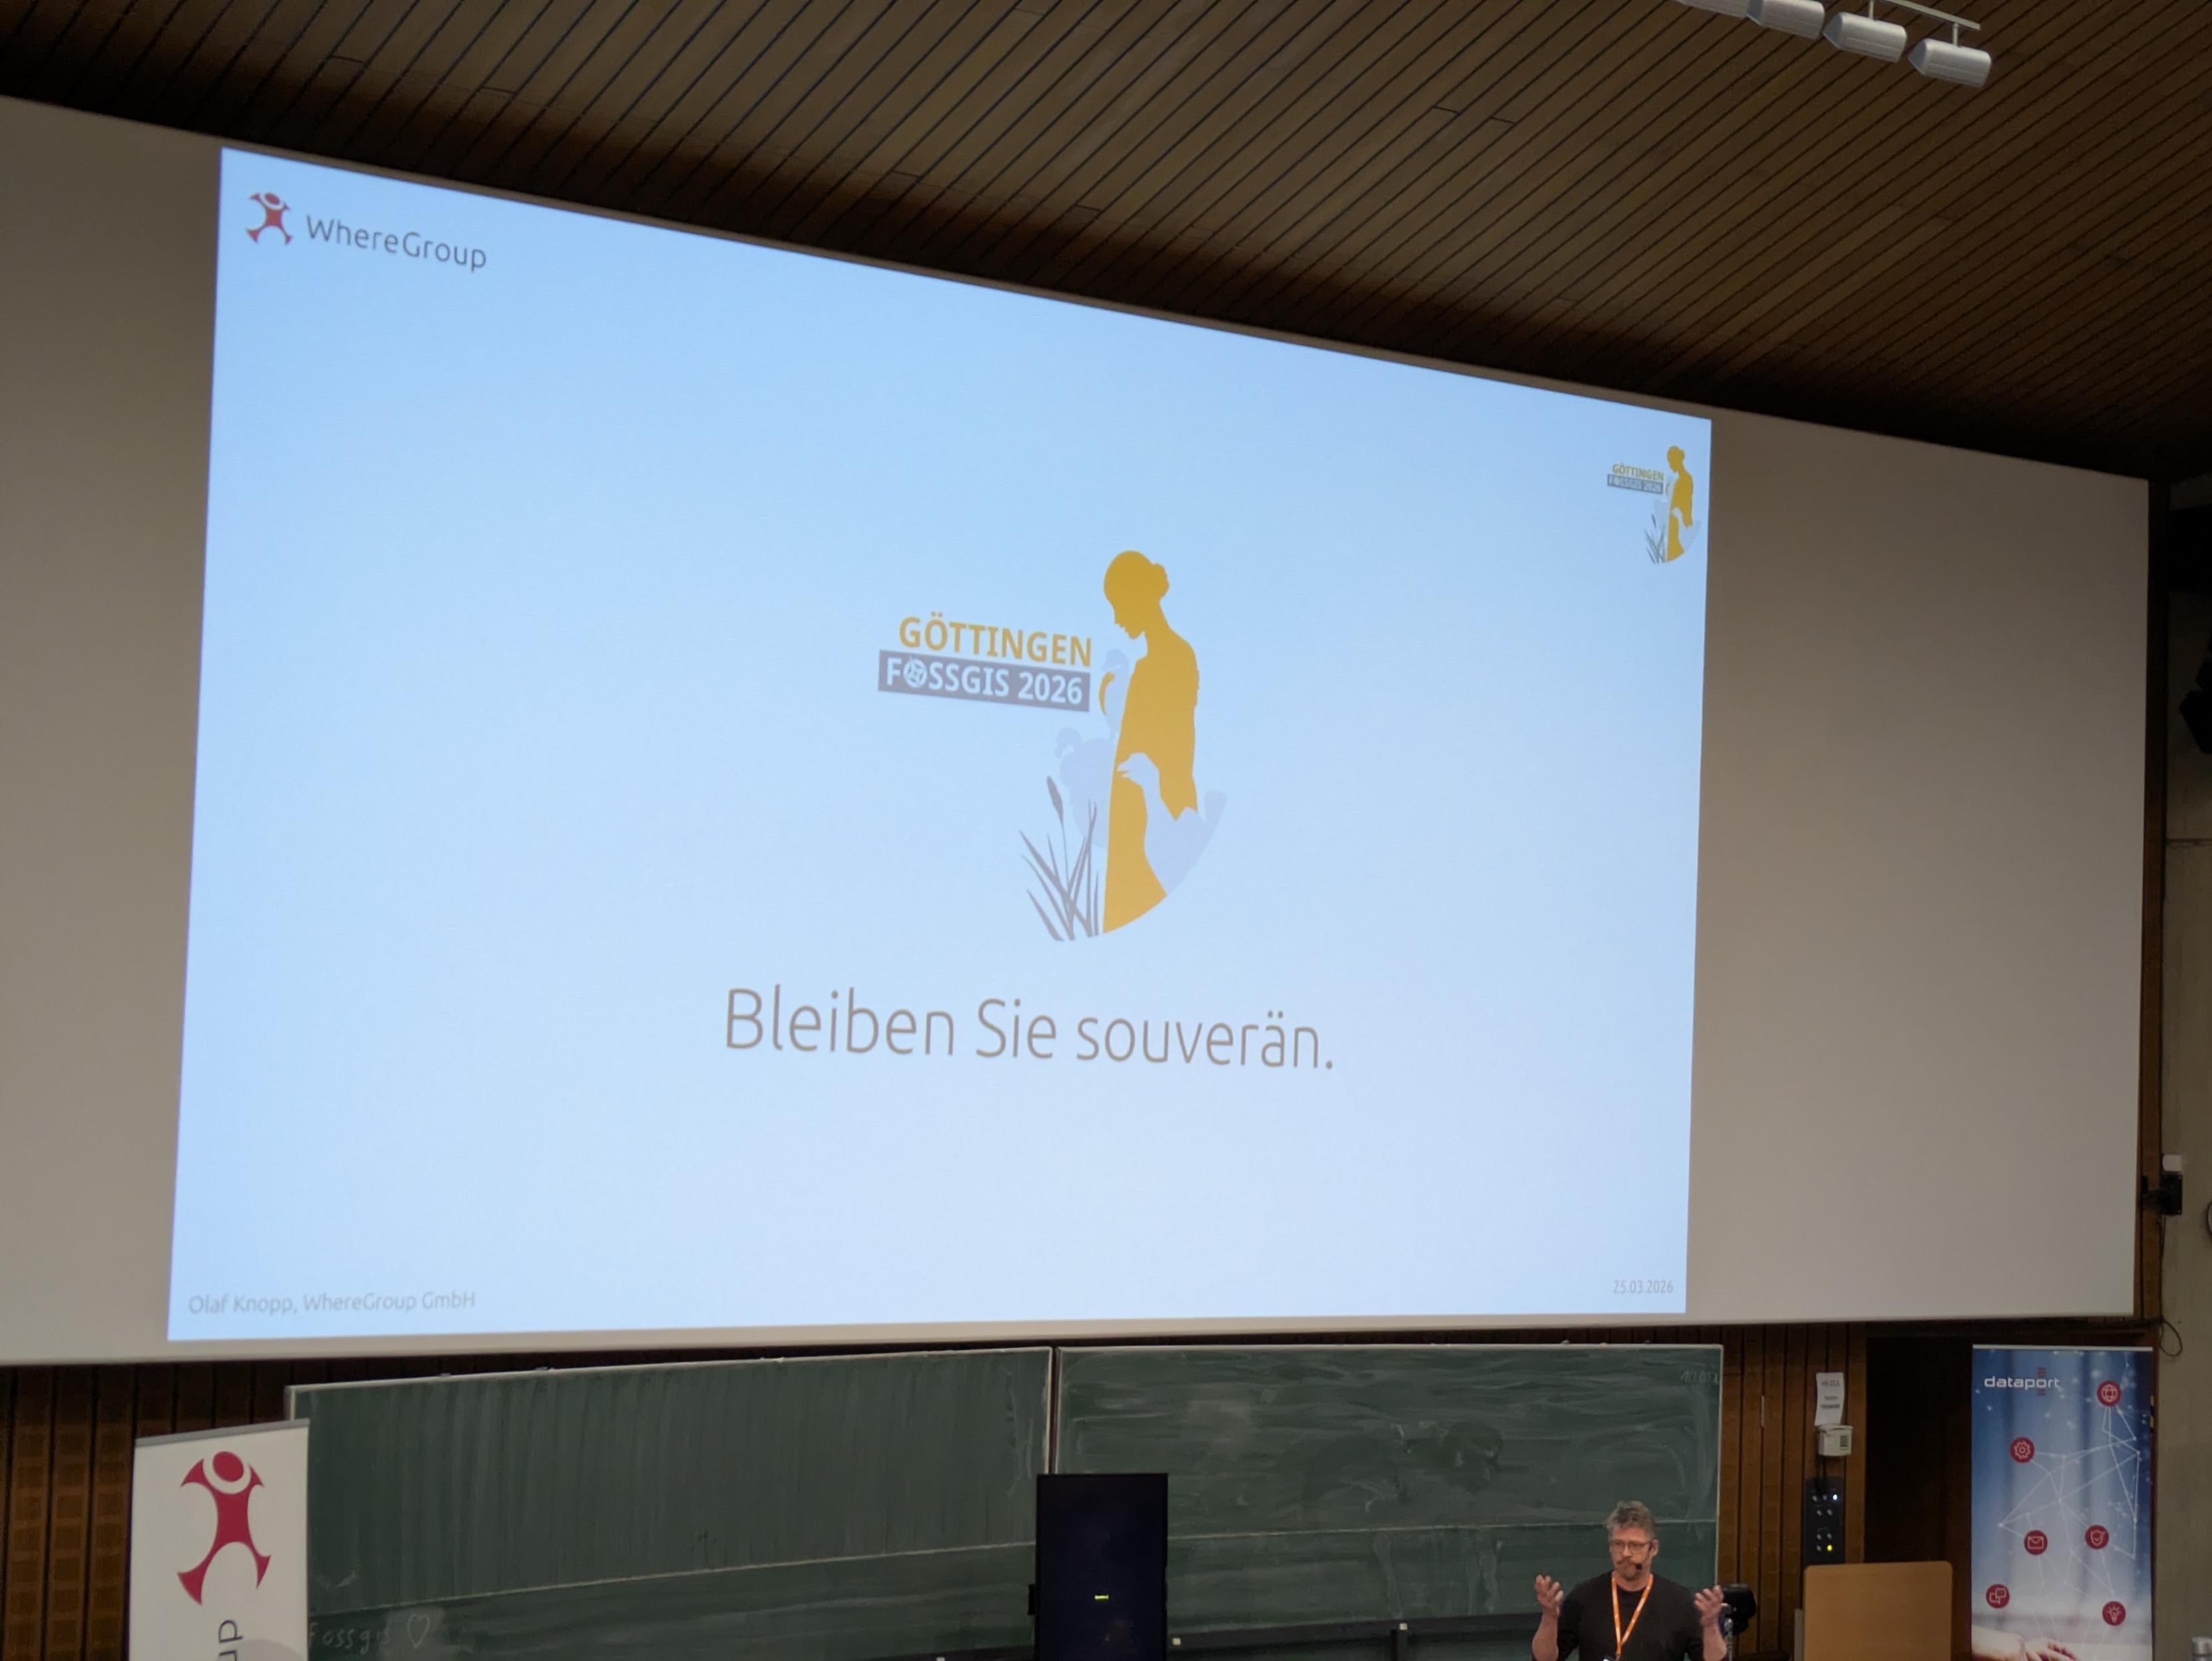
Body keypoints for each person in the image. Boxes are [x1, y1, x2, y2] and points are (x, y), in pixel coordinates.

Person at [1099, 550, 1200, 932]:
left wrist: (1160, 807)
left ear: (1137, 597)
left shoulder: (1174, 658)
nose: (1117, 619)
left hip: (1157, 813)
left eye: (1119, 605)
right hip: (1134, 816)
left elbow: (1175, 748)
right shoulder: (1147, 667)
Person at [1532, 1501, 1726, 1661]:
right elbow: (1544, 1659)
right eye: (1618, 1544)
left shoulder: (1679, 1602)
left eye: (1635, 1545)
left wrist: (1710, 1627)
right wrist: (1549, 1618)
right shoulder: (1584, 1597)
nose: (1625, 1553)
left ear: (1654, 1549)